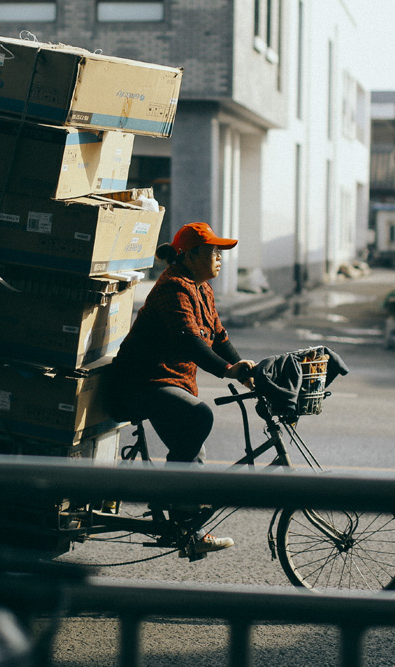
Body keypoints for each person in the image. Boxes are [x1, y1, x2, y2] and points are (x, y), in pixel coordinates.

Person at [106, 222, 256, 556]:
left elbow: (218, 336)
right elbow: (188, 339)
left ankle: (190, 533)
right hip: (140, 383)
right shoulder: (173, 287)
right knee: (198, 417)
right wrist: (226, 370)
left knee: (192, 449)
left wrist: (245, 370)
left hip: (170, 382)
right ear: (190, 256)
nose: (219, 258)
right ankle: (169, 495)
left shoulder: (202, 289)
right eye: (213, 251)